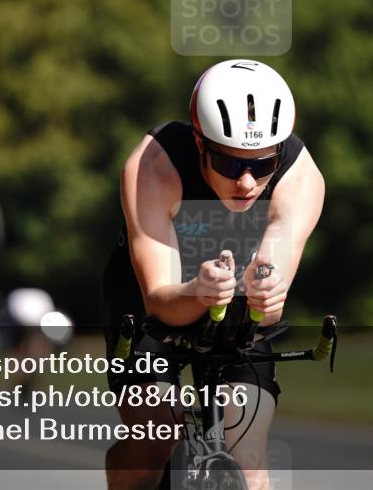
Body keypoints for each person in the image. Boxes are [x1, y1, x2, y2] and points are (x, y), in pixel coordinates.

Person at [101, 60, 325, 490]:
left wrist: (264, 293)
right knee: (154, 441)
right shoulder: (153, 165)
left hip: (235, 301)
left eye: (261, 166)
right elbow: (159, 299)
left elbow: (269, 300)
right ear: (200, 142)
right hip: (151, 296)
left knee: (250, 463)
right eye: (227, 162)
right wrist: (198, 291)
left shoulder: (300, 177)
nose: (245, 181)